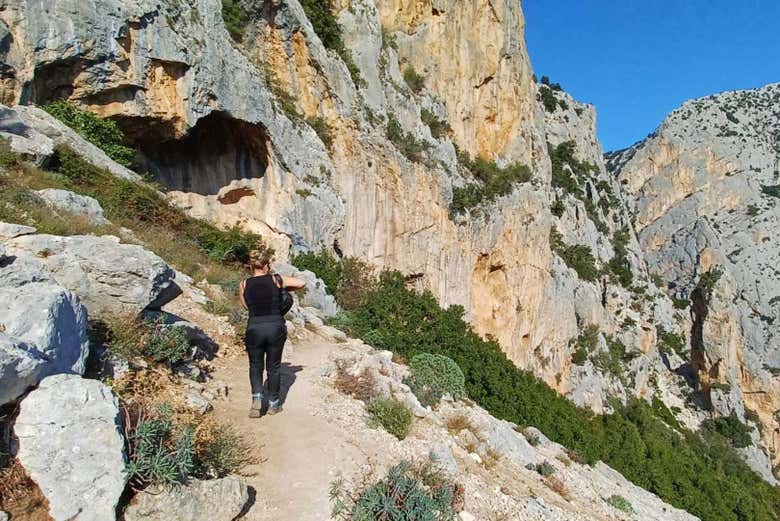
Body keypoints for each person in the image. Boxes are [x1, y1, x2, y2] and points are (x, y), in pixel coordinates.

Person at [238, 250, 305, 418]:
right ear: (266, 266)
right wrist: (283, 287)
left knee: (255, 365)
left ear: (252, 267)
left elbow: (246, 306)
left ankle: (257, 399)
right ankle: (274, 404)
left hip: (254, 327)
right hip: (275, 327)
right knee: (273, 367)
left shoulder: (244, 284)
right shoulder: (276, 279)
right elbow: (301, 283)